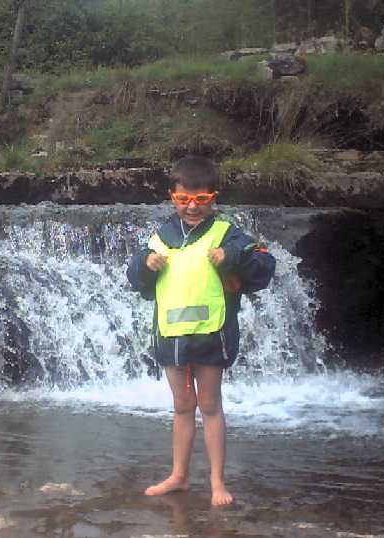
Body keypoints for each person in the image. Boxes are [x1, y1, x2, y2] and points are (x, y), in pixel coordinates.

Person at [127, 155, 276, 506]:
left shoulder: (228, 233)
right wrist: (146, 265)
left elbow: (264, 265)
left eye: (201, 200)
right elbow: (135, 279)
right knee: (181, 406)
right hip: (171, 336)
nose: (192, 207)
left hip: (213, 334)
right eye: (183, 200)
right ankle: (179, 475)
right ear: (172, 197)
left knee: (209, 405)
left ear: (213, 198)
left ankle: (217, 482)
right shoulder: (160, 237)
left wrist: (233, 256)